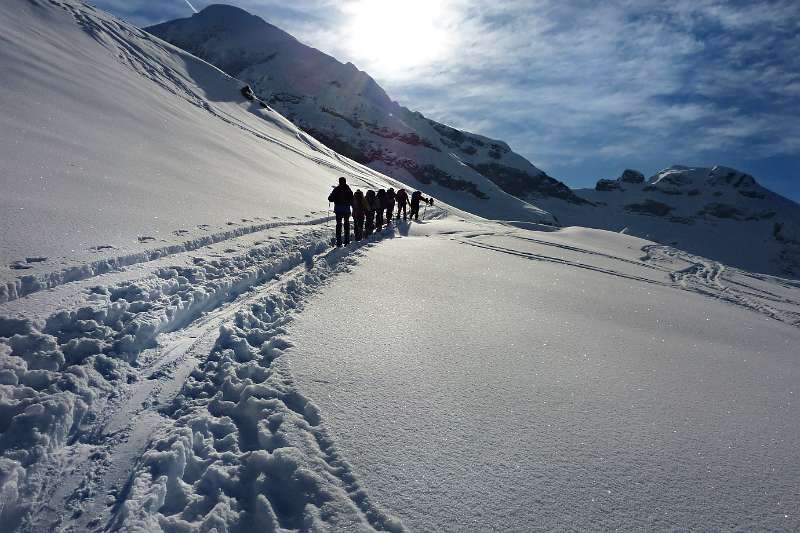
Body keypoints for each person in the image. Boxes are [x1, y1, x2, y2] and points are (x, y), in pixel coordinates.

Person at [328, 177, 353, 246]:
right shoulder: (348, 189)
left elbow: (331, 198)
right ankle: (347, 241)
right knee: (346, 225)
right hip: (346, 210)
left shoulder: (336, 189)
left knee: (338, 225)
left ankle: (339, 242)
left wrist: (330, 197)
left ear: (339, 181)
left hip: (338, 210)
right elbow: (352, 199)